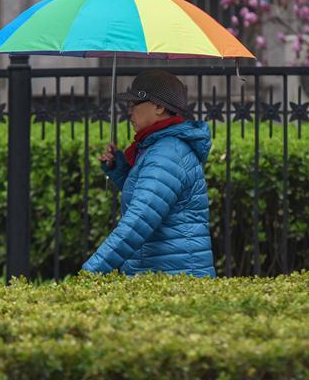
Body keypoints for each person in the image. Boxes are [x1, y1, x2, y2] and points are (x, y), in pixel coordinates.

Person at [82, 70, 216, 277]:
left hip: (174, 280)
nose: (129, 112)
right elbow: (155, 199)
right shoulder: (159, 147)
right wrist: (121, 170)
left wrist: (91, 272)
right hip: (166, 274)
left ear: (159, 107)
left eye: (134, 104)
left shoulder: (167, 153)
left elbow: (139, 221)